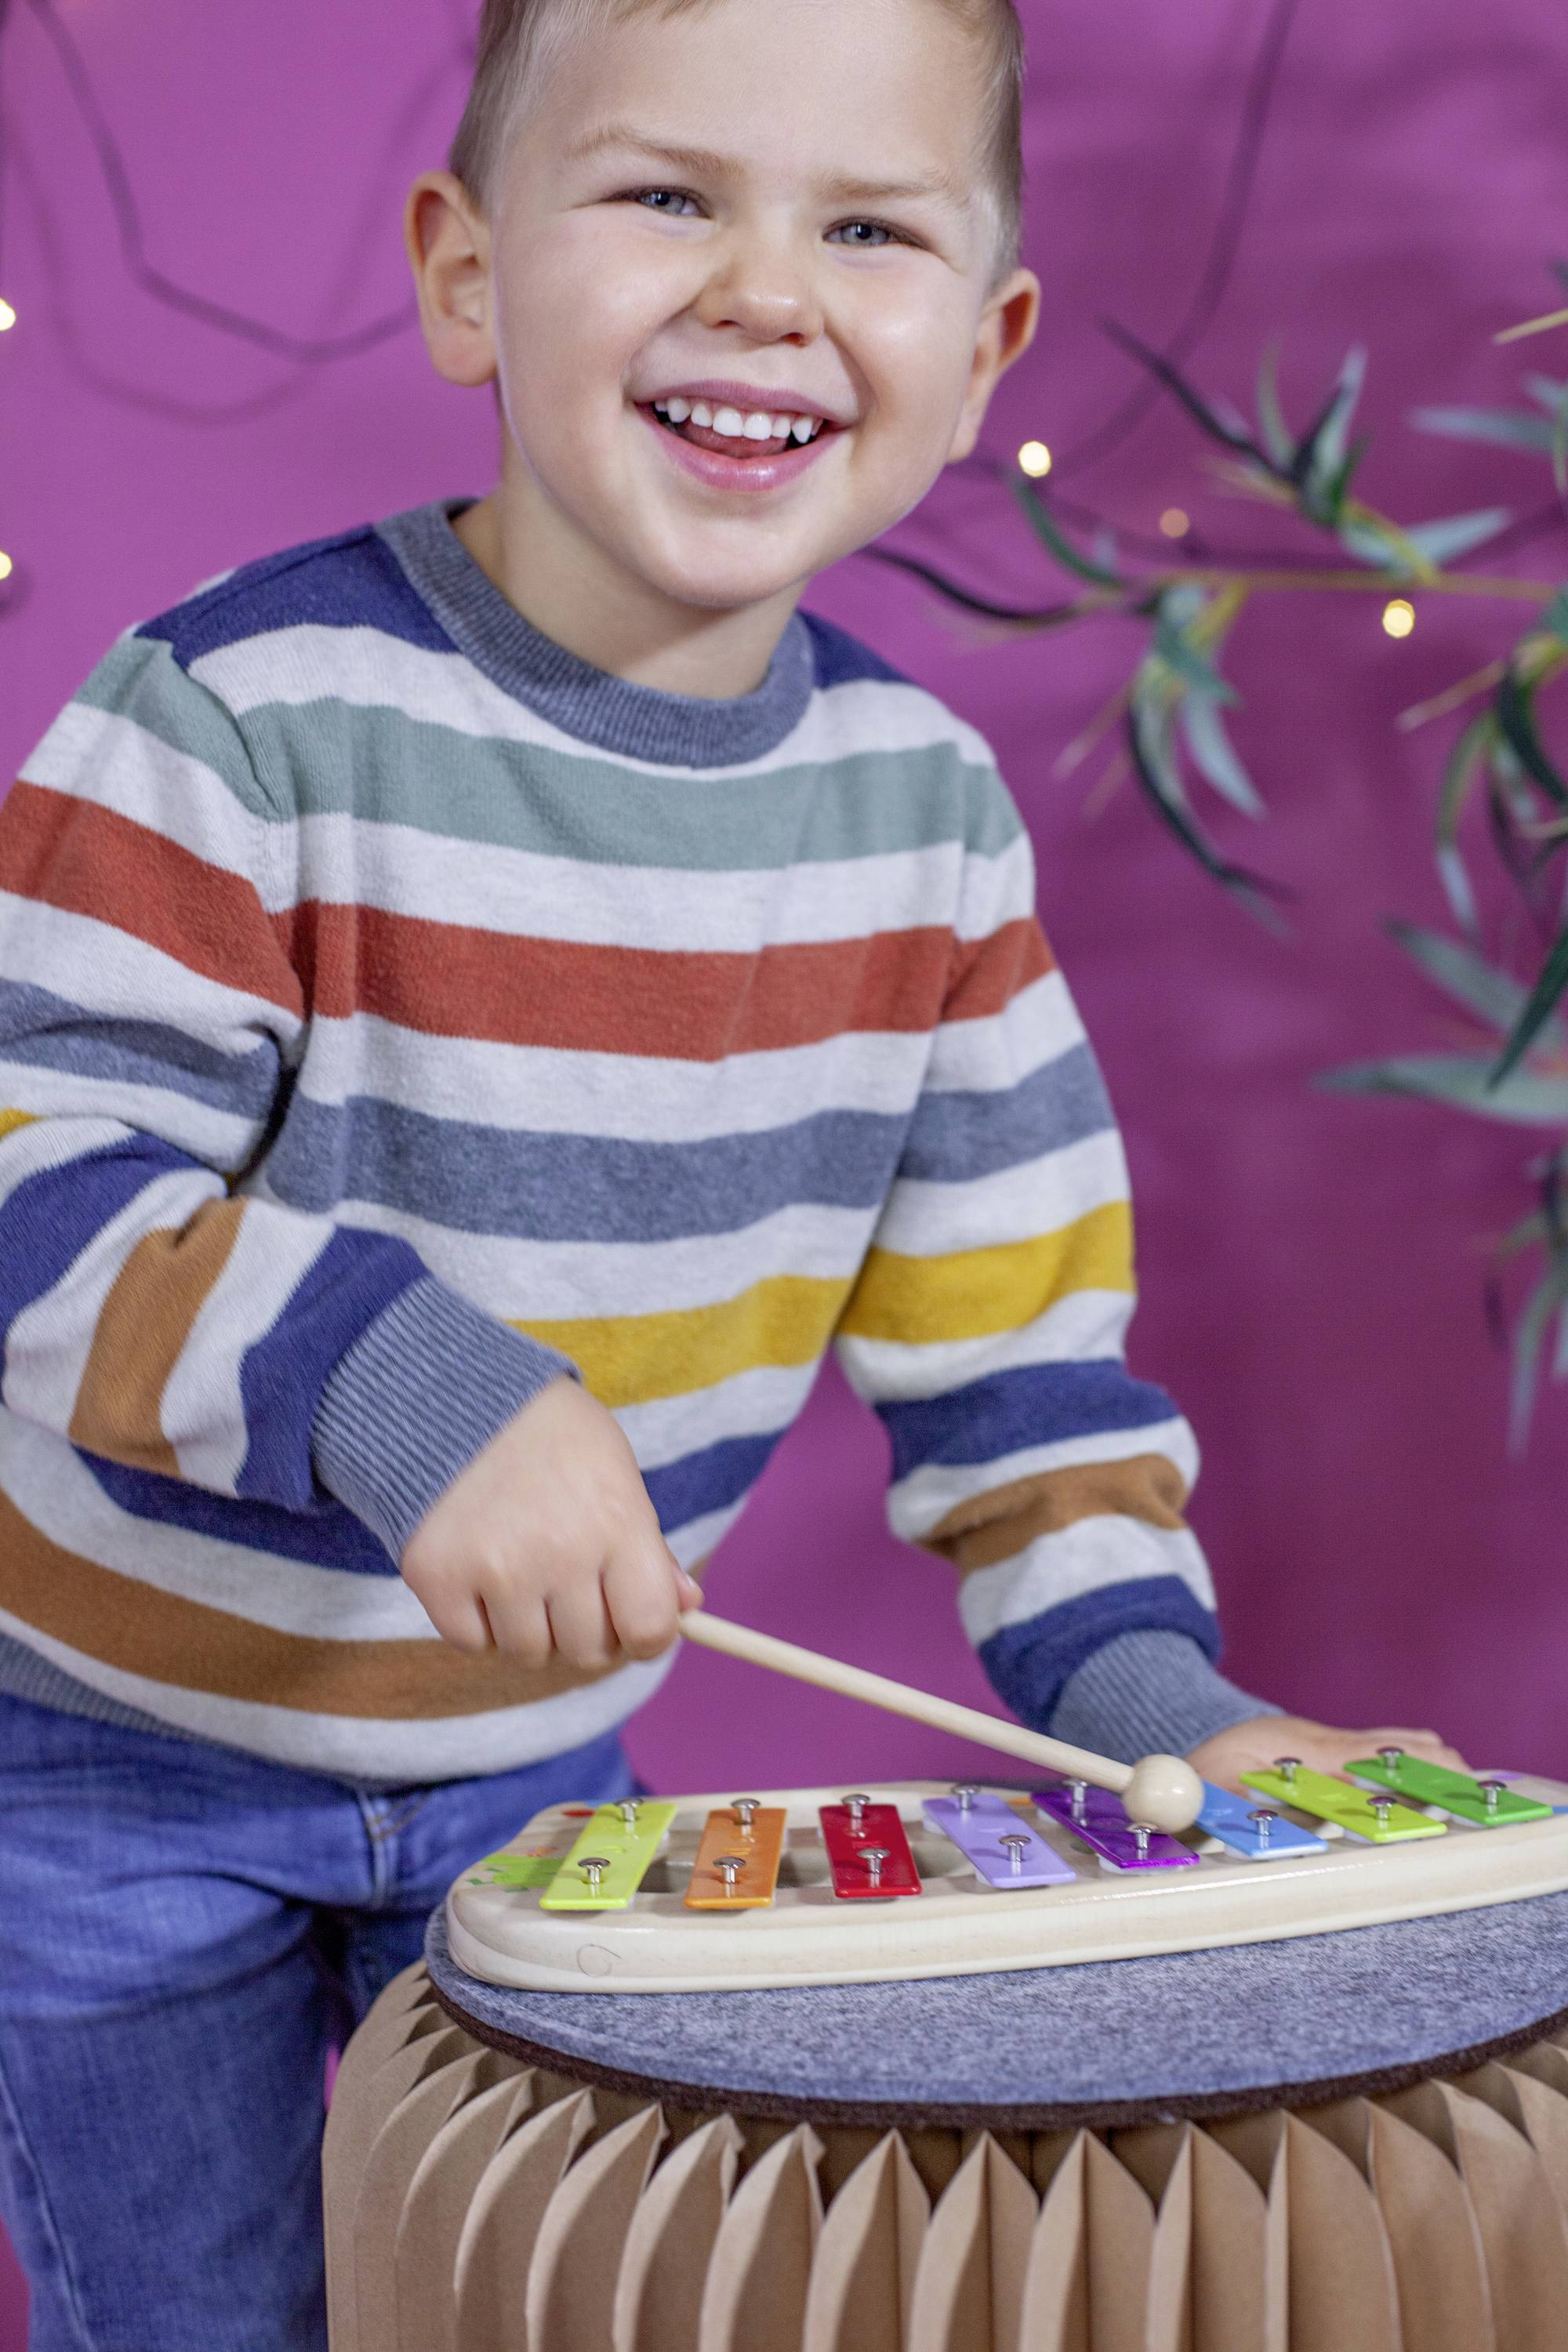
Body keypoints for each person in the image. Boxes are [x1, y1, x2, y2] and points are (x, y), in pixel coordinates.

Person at [0, 0, 1464, 2342]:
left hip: (528, 1779)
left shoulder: (924, 824)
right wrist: (401, 1384)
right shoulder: (231, 716)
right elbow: (37, 1183)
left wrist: (1160, 1709)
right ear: (469, 273)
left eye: (864, 226)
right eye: (669, 195)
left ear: (982, 350)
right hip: (107, 1763)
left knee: (551, 2302)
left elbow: (1023, 1379)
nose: (766, 289)